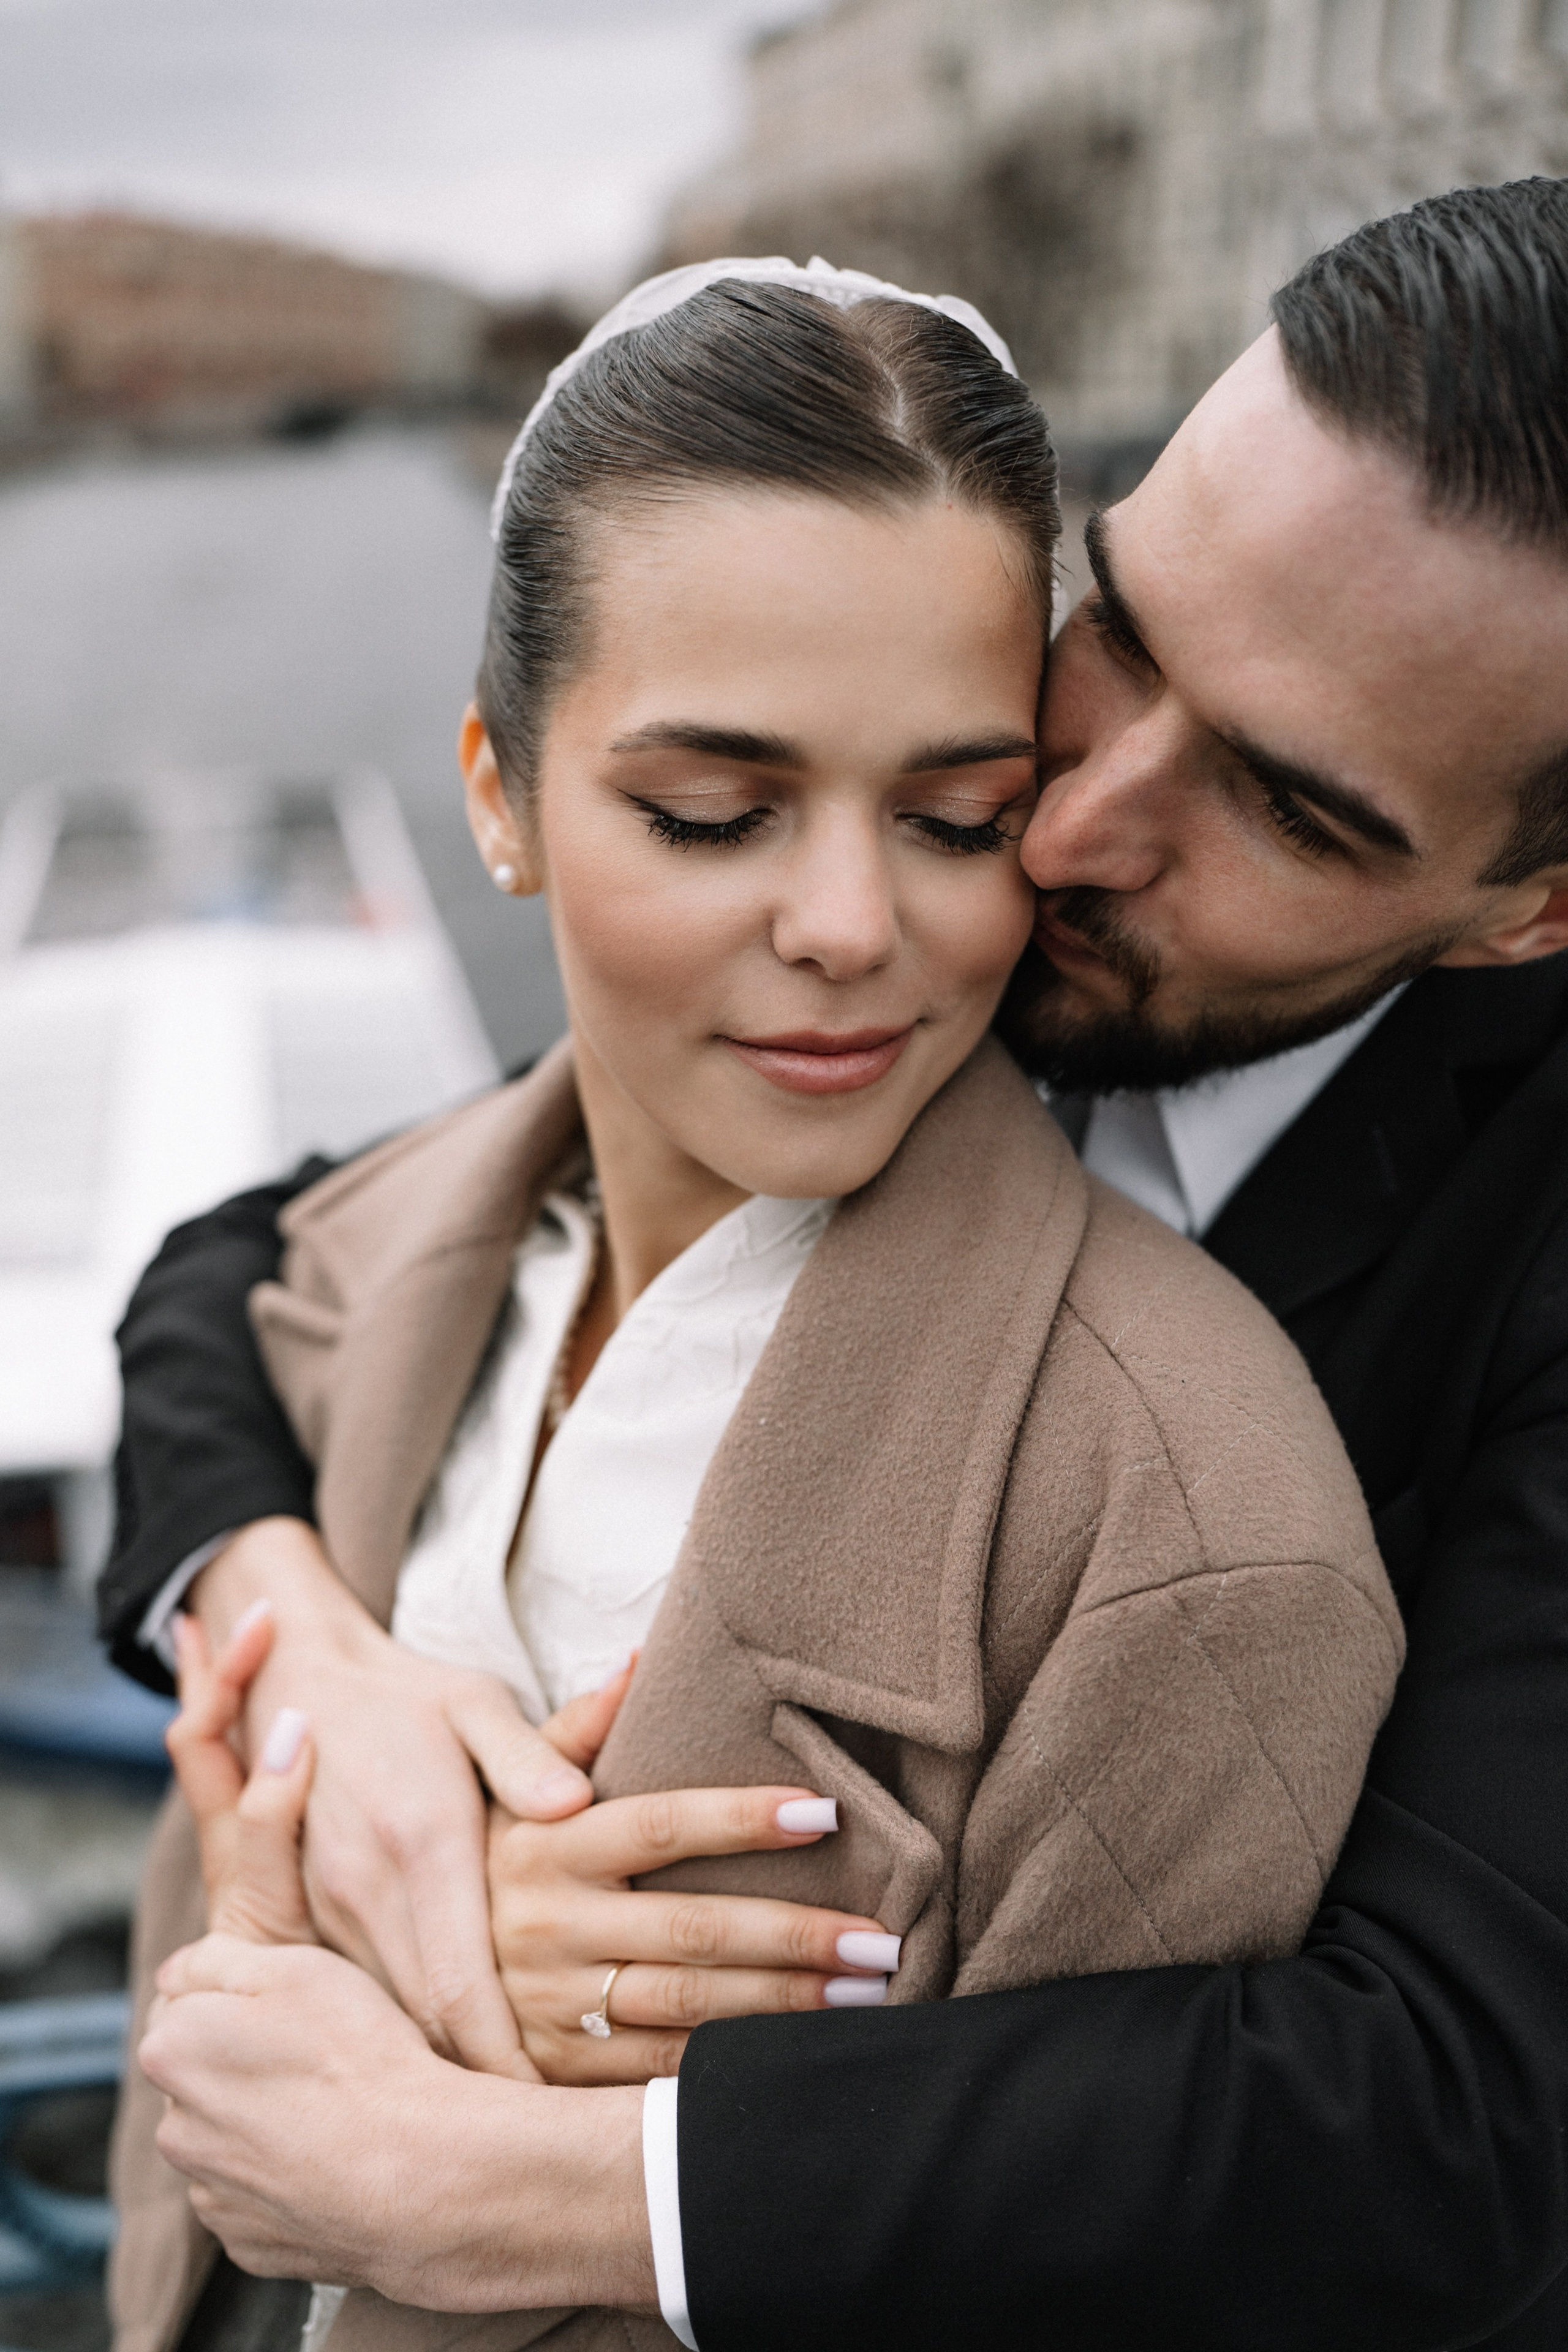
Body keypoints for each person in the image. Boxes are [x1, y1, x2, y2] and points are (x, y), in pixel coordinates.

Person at [114, 177, 1568, 2349]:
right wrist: (300, 1651)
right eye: (1121, 632)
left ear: (1529, 911)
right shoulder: (862, 976)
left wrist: (507, 2151)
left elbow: (1452, 2107)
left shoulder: (1251, 1445)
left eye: (1289, 808)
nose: (1063, 830)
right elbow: (268, 1258)